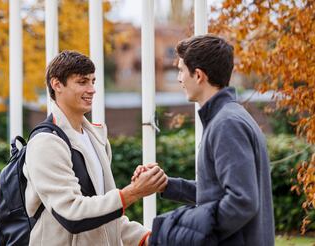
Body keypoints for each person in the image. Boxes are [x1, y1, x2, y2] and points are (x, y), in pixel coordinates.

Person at [133, 34, 275, 245]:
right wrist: (165, 185)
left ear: (198, 75)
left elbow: (242, 201)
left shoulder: (227, 124)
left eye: (181, 70)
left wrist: (188, 233)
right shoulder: (229, 117)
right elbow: (217, 193)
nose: (179, 78)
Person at [23, 50, 167, 245]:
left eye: (93, 81)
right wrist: (133, 192)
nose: (92, 89)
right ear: (56, 84)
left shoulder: (96, 138)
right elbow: (72, 215)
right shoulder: (45, 143)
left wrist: (148, 238)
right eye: (82, 82)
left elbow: (103, 214)